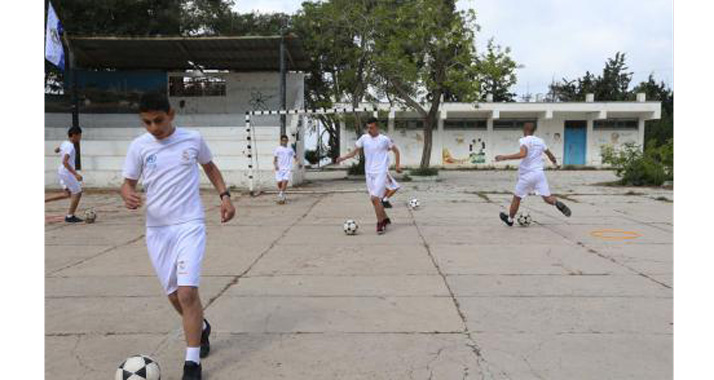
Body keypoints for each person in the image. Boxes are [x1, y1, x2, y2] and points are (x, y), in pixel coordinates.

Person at [120, 92, 236, 380]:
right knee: (174, 296)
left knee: (187, 293)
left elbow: (210, 167)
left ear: (171, 114)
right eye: (146, 122)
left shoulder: (193, 139)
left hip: (189, 225)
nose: (153, 127)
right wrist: (128, 195)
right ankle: (202, 327)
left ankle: (192, 363)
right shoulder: (139, 147)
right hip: (157, 230)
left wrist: (225, 196)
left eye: (158, 120)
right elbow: (127, 183)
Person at [495, 121, 571, 226]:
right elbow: (550, 155)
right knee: (547, 197)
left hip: (527, 175)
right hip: (539, 174)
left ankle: (510, 220)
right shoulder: (540, 141)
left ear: (525, 129)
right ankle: (556, 202)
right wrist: (555, 164)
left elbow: (523, 154)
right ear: (534, 130)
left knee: (517, 198)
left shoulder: (524, 140)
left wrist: (504, 157)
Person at [336, 117, 401, 234]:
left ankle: (380, 223)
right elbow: (354, 152)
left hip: (381, 172)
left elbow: (396, 151)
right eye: (368, 127)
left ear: (377, 127)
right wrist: (343, 158)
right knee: (374, 200)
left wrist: (397, 166)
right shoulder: (364, 138)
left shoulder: (384, 140)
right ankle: (385, 219)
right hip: (369, 173)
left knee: (375, 198)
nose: (369, 130)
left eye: (371, 127)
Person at [51, 126, 84, 222]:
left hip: (62, 171)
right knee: (77, 192)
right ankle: (70, 216)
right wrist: (76, 174)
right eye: (79, 136)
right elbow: (65, 162)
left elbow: (57, 149)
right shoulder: (70, 146)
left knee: (67, 193)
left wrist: (58, 149)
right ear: (74, 135)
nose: (80, 138)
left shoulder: (65, 143)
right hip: (67, 172)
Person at [273, 135, 298, 204]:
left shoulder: (290, 149)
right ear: (281, 141)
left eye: (286, 140)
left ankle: (281, 194)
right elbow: (275, 159)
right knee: (279, 182)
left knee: (285, 181)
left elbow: (295, 157)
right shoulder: (278, 149)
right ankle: (282, 192)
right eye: (283, 140)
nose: (284, 142)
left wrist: (298, 163)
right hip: (279, 169)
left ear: (287, 141)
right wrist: (276, 166)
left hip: (287, 168)